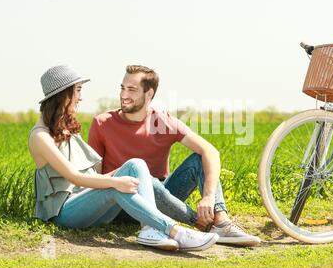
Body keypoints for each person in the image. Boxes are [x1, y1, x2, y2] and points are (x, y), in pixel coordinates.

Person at [28, 65, 220, 252]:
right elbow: (73, 177)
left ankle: (150, 229)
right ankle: (175, 231)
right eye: (77, 91)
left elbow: (89, 173)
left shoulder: (63, 130)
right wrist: (114, 181)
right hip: (64, 211)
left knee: (136, 164)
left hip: (86, 199)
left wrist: (122, 173)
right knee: (116, 186)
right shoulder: (40, 137)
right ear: (63, 95)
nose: (80, 97)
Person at [88, 65, 261, 247]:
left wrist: (208, 197)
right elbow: (96, 179)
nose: (124, 95)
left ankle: (221, 221)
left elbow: (211, 152)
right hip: (122, 203)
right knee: (143, 178)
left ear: (149, 94)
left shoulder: (162, 122)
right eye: (122, 88)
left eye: (132, 89)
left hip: (163, 200)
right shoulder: (102, 123)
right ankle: (198, 221)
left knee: (199, 159)